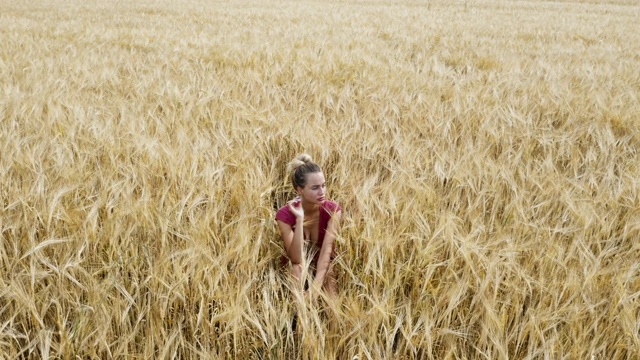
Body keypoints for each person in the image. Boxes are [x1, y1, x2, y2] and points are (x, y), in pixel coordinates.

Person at [276, 154, 342, 297]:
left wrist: (316, 287)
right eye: (315, 188)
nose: (322, 192)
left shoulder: (333, 210)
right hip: (297, 265)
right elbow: (296, 258)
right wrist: (299, 219)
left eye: (323, 185)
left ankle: (333, 319)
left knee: (329, 279)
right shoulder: (285, 215)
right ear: (300, 190)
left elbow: (326, 250)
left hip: (324, 264)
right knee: (296, 270)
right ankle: (300, 317)